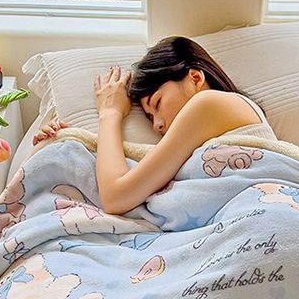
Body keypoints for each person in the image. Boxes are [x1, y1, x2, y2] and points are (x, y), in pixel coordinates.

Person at [32, 36, 276, 215]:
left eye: (157, 103)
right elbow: (139, 178)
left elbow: (116, 196)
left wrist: (109, 114)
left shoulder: (208, 103)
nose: (157, 125)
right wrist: (70, 141)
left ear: (195, 77)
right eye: (149, 118)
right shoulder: (213, 130)